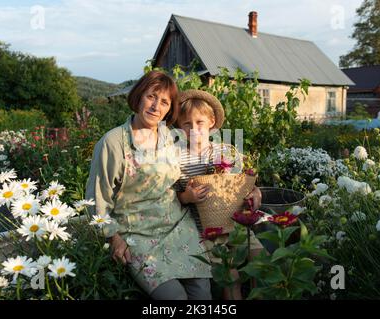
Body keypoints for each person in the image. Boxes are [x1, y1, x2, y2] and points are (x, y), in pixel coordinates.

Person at [85, 71, 212, 300]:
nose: (156, 106)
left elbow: (202, 162)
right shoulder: (113, 143)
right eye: (151, 96)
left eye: (164, 102)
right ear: (138, 97)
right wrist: (113, 237)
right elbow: (97, 199)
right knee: (174, 298)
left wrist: (244, 183)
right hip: (137, 235)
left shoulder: (171, 137)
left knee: (202, 294)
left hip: (178, 228)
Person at [173, 89, 263, 300]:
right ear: (178, 126)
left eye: (200, 122)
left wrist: (255, 193)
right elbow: (175, 196)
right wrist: (187, 197)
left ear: (212, 122)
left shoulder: (224, 151)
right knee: (229, 274)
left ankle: (262, 293)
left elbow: (240, 185)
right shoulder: (178, 158)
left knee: (261, 259)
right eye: (186, 124)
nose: (194, 129)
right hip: (205, 229)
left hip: (235, 222)